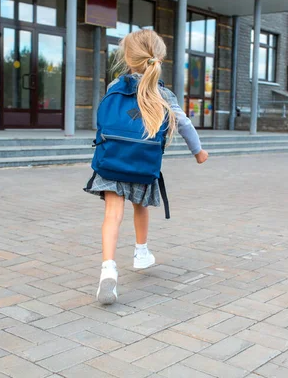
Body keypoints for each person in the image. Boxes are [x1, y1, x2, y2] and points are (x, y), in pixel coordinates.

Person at [84, 29, 208, 305]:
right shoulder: (163, 93)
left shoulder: (114, 87)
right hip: (141, 164)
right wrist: (198, 152)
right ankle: (141, 253)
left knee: (112, 214)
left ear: (127, 58)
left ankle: (108, 269)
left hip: (111, 161)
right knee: (139, 205)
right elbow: (185, 125)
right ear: (158, 58)